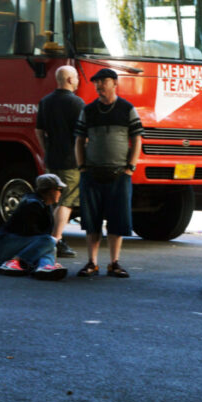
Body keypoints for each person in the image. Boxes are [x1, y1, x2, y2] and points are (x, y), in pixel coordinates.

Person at [74, 68, 143, 278]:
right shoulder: (88, 110)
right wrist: (82, 167)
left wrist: (130, 168)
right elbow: (78, 140)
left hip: (119, 175)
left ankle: (114, 263)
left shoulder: (126, 109)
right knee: (91, 220)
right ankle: (92, 263)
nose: (99, 85)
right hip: (92, 174)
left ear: (115, 83)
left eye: (103, 81)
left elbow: (137, 139)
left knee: (118, 219)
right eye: (96, 82)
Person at [35, 64, 84, 258]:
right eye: (77, 78)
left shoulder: (45, 101)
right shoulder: (77, 103)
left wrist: (45, 149)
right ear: (70, 80)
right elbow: (83, 135)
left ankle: (57, 239)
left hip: (52, 158)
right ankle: (54, 240)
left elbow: (39, 130)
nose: (78, 81)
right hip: (71, 160)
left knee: (54, 200)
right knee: (67, 201)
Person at [0, 174, 68, 280]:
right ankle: (15, 261)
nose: (60, 193)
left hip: (15, 246)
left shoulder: (44, 204)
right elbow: (32, 232)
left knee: (49, 242)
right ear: (50, 190)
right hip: (3, 247)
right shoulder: (32, 204)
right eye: (59, 189)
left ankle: (44, 266)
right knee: (49, 241)